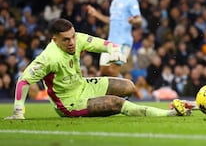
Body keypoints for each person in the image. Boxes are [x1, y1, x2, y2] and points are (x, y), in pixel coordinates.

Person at [5, 19, 190, 119]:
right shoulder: (48, 58)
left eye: (72, 37)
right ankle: (167, 113)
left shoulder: (77, 38)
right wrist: (18, 111)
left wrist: (115, 50)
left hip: (83, 86)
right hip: (69, 103)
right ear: (55, 40)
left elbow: (105, 44)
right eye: (66, 40)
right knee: (116, 103)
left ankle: (102, 107)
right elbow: (23, 80)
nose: (72, 42)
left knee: (129, 87)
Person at [87, 0, 142, 77]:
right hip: (110, 43)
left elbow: (139, 19)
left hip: (123, 42)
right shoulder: (114, 1)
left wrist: (134, 21)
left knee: (113, 70)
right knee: (103, 72)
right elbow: (112, 20)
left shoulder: (131, 0)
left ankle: (122, 93)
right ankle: (119, 91)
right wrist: (96, 14)